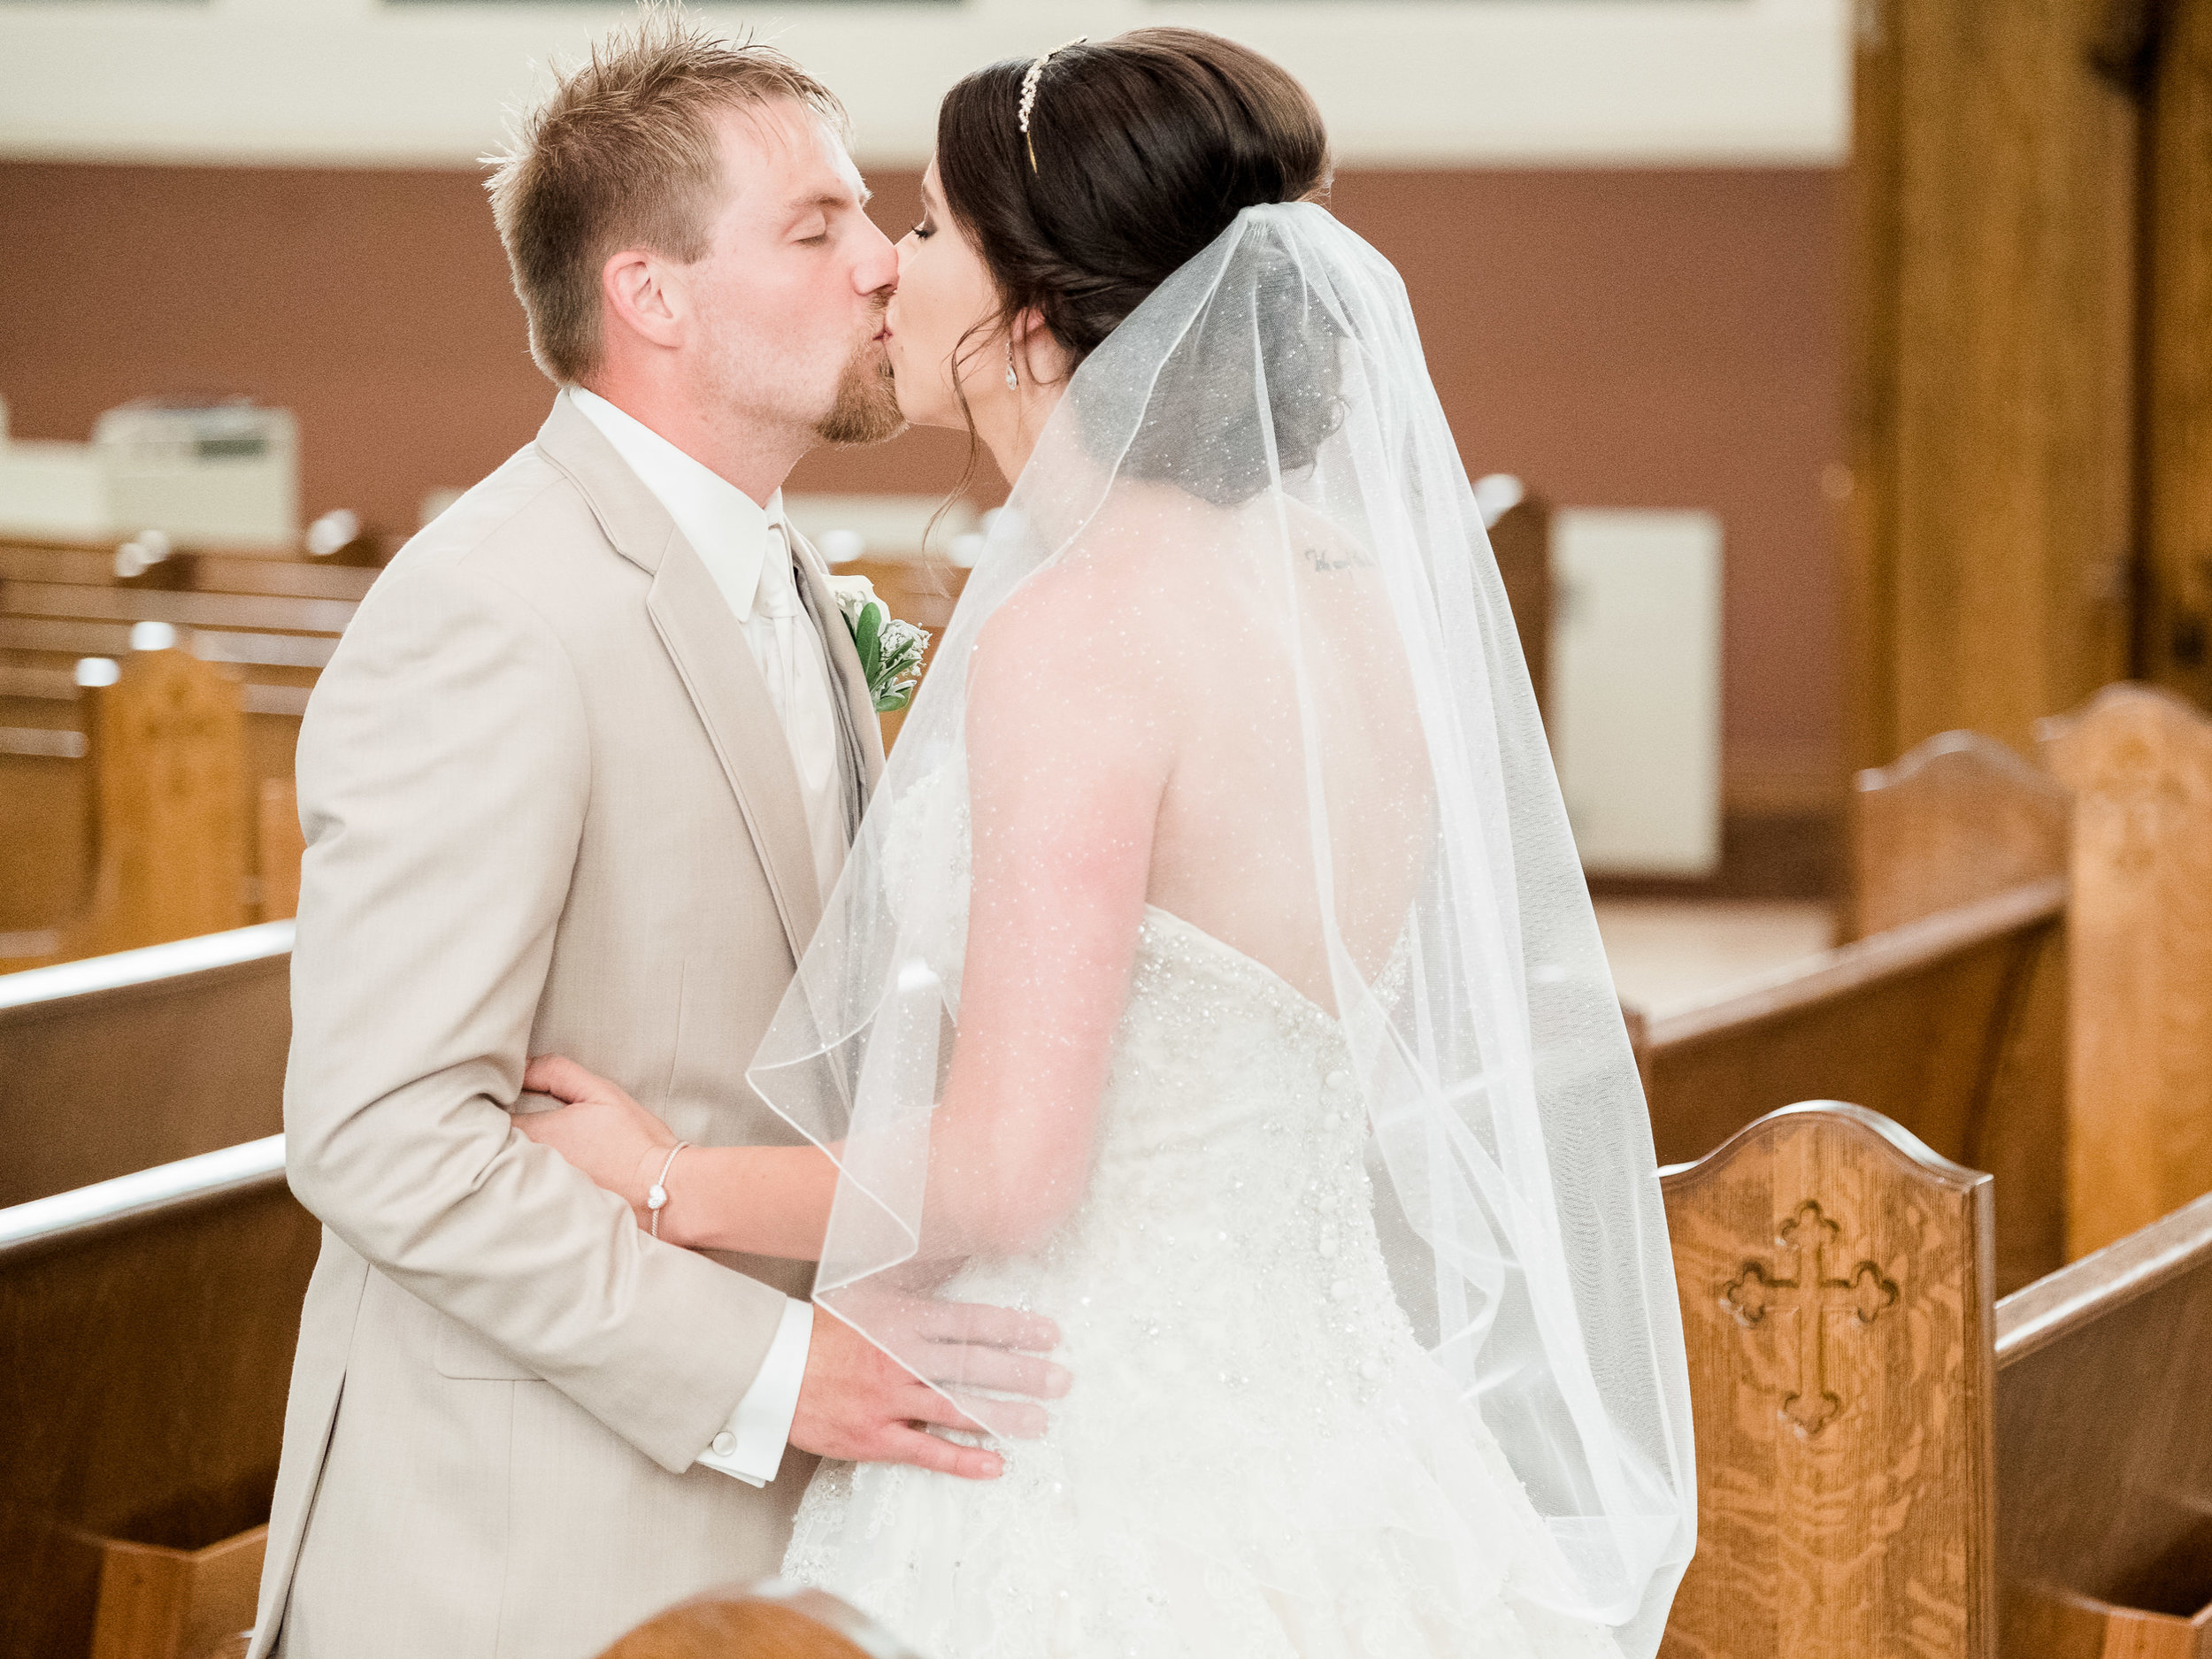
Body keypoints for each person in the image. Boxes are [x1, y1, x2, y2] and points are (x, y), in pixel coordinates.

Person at [521, 26, 1698, 1658]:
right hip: (1330, 1415)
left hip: (1093, 1440)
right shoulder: (1340, 596)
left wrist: (657, 1181)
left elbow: (1013, 1165)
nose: (883, 269)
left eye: (928, 227)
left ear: (1032, 306)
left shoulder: (1083, 631)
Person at [247, 19, 1065, 1659]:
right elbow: (383, 1135)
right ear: (653, 296)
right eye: (816, 229)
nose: (883, 273)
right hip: (523, 1549)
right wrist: (774, 1373)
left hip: (764, 1539)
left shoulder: (793, 582)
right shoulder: (492, 610)